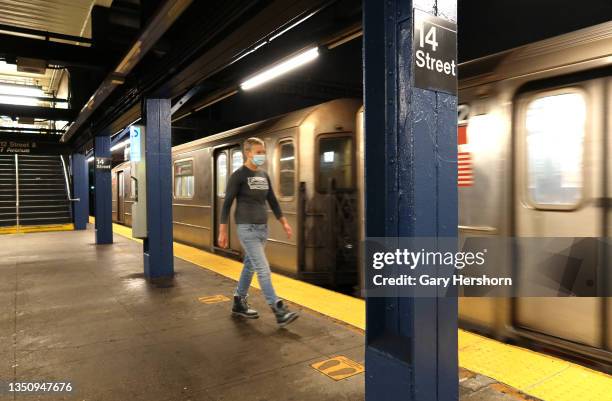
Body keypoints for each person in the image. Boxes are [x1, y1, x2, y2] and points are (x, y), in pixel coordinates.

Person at [218, 137, 299, 327]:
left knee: (250, 266)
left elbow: (272, 201)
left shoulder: (264, 175)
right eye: (258, 152)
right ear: (248, 153)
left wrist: (284, 223)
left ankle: (239, 302)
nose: (262, 155)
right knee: (263, 268)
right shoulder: (238, 176)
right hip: (246, 228)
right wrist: (222, 231)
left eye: (263, 152)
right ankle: (278, 309)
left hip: (263, 229)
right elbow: (227, 204)